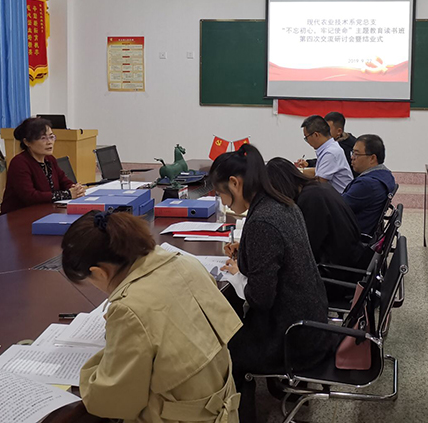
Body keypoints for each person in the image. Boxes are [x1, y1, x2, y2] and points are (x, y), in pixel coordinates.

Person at [61, 210, 243, 423]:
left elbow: (110, 401)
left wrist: (115, 338)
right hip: (224, 408)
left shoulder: (129, 308)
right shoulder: (187, 263)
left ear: (99, 272)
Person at [210, 144, 331, 422]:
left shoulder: (263, 221)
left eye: (220, 193)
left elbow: (261, 299)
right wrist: (246, 253)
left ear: (235, 183)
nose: (224, 203)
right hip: (311, 323)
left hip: (292, 337)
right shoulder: (281, 203)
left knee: (223, 347)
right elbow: (278, 258)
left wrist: (238, 275)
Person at [266, 157, 365, 269]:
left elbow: (307, 248)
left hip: (336, 267)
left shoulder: (310, 199)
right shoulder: (318, 187)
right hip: (351, 256)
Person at [0, 117, 84, 214]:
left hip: (47, 211)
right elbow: (30, 196)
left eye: (51, 137)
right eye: (43, 138)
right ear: (27, 142)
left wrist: (75, 188)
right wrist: (67, 194)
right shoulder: (19, 163)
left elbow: (63, 181)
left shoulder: (50, 159)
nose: (49, 142)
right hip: (19, 215)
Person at [341, 134, 397, 236]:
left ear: (372, 158)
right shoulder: (386, 175)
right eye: (352, 153)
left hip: (350, 236)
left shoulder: (367, 184)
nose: (352, 157)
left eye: (356, 154)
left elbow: (338, 207)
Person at [295, 115, 354, 193]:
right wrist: (297, 171)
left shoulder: (330, 153)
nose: (307, 141)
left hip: (341, 197)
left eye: (306, 137)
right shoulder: (329, 148)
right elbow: (319, 172)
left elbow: (320, 182)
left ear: (316, 135)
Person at [303, 112, 358, 176]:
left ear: (339, 131)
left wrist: (300, 171)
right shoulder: (330, 146)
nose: (324, 131)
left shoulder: (339, 149)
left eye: (328, 129)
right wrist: (309, 163)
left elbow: (323, 174)